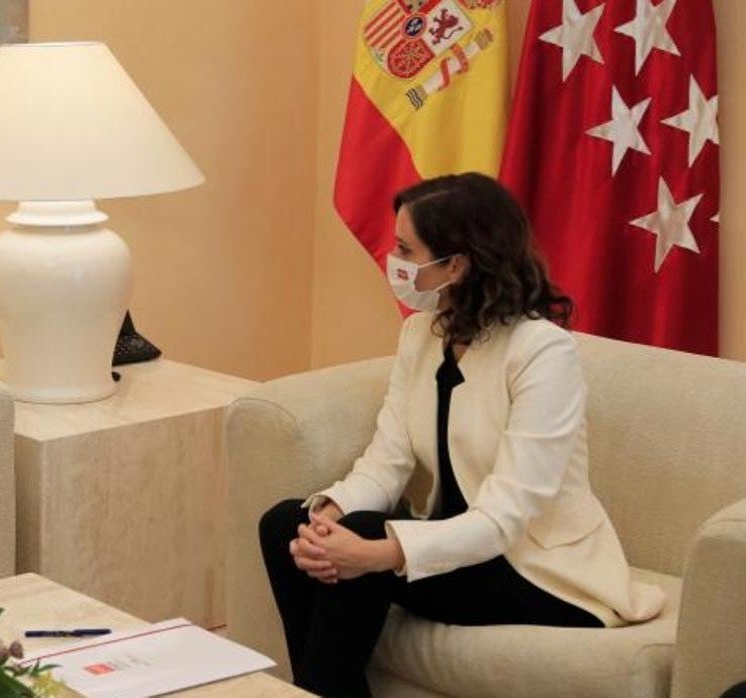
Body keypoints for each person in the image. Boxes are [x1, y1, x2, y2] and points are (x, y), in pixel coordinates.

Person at [258, 173, 665, 697]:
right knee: (286, 524)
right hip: (453, 544)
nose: (394, 260)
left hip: (533, 566)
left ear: (457, 264)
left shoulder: (541, 351)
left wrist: (378, 553)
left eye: (407, 249)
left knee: (365, 539)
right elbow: (388, 458)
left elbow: (505, 516)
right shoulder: (421, 334)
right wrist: (328, 515)